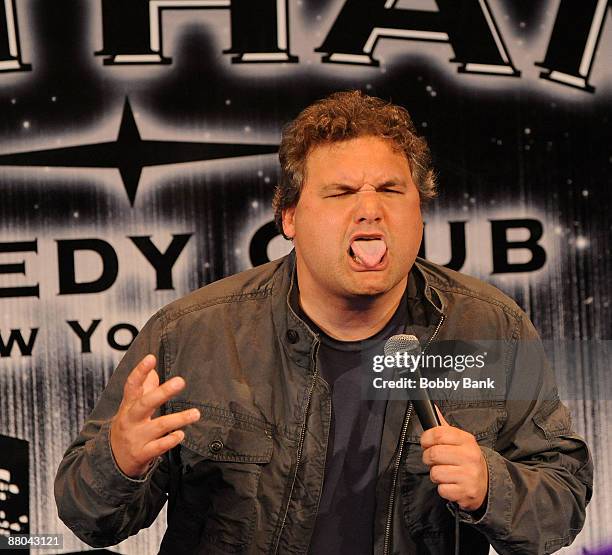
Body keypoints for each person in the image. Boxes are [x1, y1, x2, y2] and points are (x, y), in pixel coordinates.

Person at [54, 90, 593, 554]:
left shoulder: (490, 328)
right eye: (339, 193)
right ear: (289, 216)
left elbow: (562, 506)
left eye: (390, 190)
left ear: (419, 212)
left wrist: (489, 486)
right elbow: (88, 518)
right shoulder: (192, 335)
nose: (369, 210)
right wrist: (119, 464)